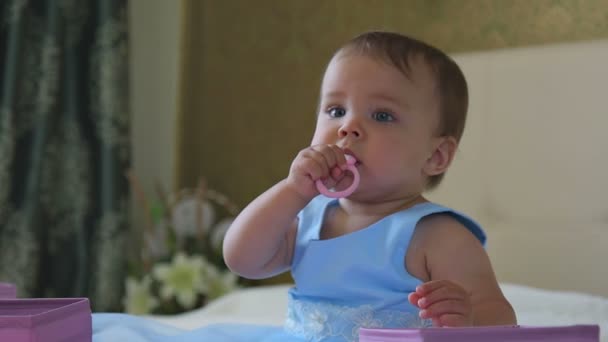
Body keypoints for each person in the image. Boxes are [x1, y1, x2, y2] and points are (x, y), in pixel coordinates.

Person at [92, 31, 516, 342]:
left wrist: (468, 319)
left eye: (382, 116)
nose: (348, 127)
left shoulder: (438, 235)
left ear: (436, 156)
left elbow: (502, 320)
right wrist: (293, 191)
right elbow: (242, 259)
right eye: (335, 109)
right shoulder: (310, 216)